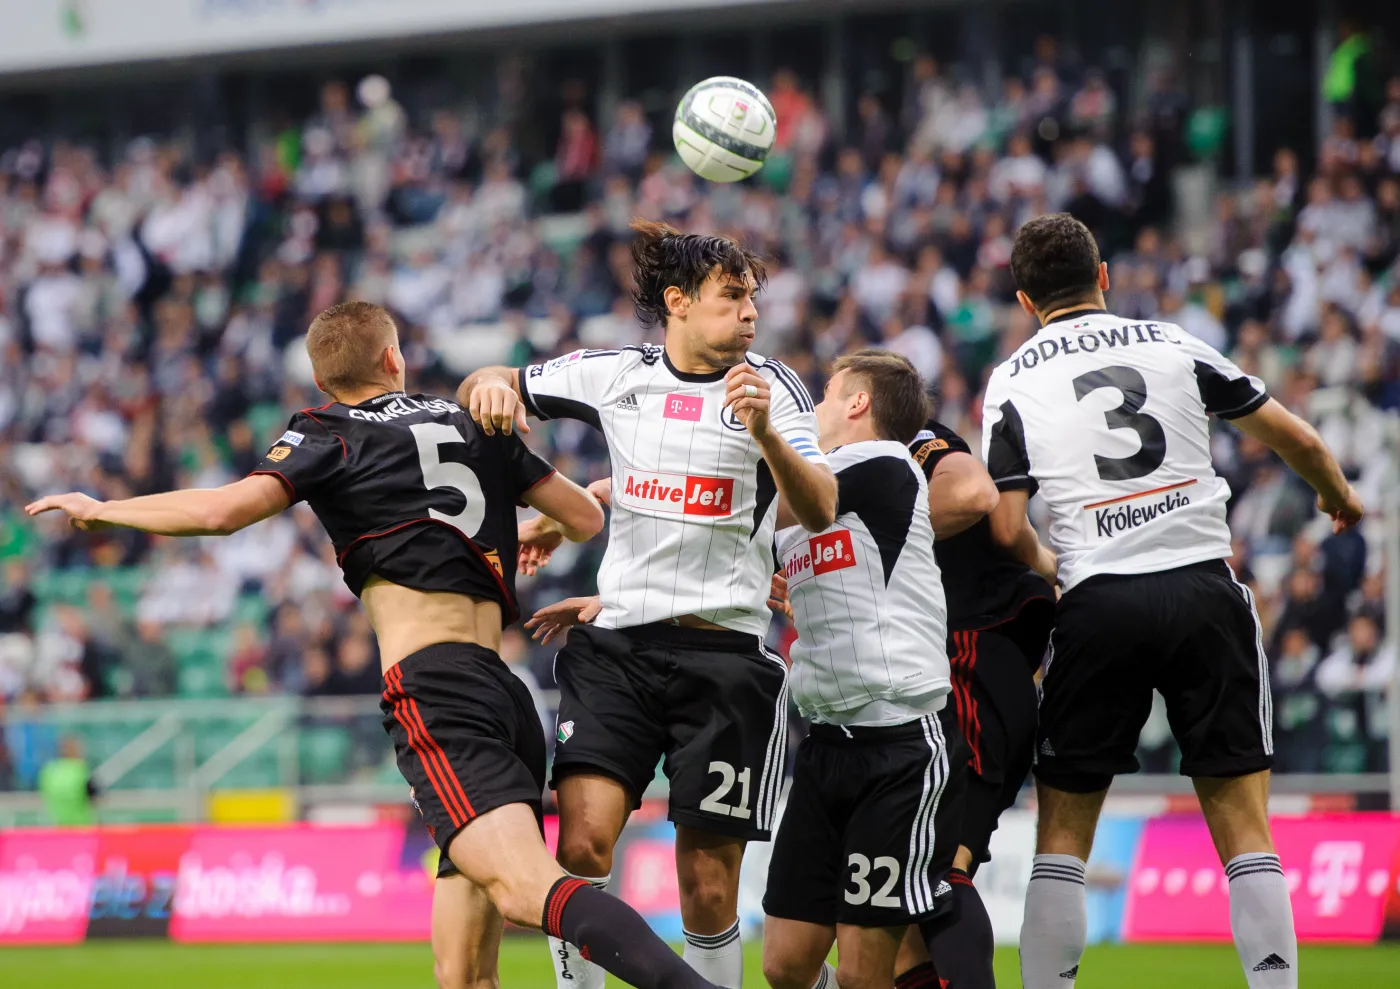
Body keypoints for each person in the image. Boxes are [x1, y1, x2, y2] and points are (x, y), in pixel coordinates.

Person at [27, 301, 719, 989]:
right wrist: (533, 529)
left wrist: (105, 508)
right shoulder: (471, 419)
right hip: (504, 691)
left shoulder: (327, 430)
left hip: (437, 692)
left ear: (322, 380)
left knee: (524, 890)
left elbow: (221, 511)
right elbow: (585, 516)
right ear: (393, 358)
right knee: (462, 973)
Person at [983, 214, 1363, 989]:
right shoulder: (1172, 343)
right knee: (1244, 826)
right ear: (1104, 276)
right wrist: (1336, 494)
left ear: (1024, 300)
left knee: (1063, 835)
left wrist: (1054, 566)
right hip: (1202, 590)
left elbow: (1007, 526)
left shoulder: (1013, 378)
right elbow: (1297, 439)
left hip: (1098, 600)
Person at [460, 219, 838, 989]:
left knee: (708, 885)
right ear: (677, 302)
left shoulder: (775, 386)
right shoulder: (615, 374)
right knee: (581, 846)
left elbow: (822, 506)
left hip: (726, 659)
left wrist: (766, 431)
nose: (750, 313)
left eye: (752, 299)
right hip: (618, 652)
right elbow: (492, 379)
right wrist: (489, 385)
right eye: (731, 297)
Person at [759, 351, 966, 989]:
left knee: (862, 974)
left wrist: (763, 433)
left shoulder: (882, 462)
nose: (814, 408)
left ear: (858, 403)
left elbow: (764, 509)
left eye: (825, 394)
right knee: (785, 966)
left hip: (899, 741)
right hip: (826, 743)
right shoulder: (815, 489)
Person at [892, 410, 1057, 989]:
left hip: (970, 666)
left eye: (836, 391)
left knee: (939, 867)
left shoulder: (913, 440)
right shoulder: (849, 466)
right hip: (971, 677)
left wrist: (875, 525)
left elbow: (973, 492)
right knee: (907, 911)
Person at [38, 735, 98, 826]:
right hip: (82, 826)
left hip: (58, 826)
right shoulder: (80, 770)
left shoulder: (48, 771)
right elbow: (94, 797)